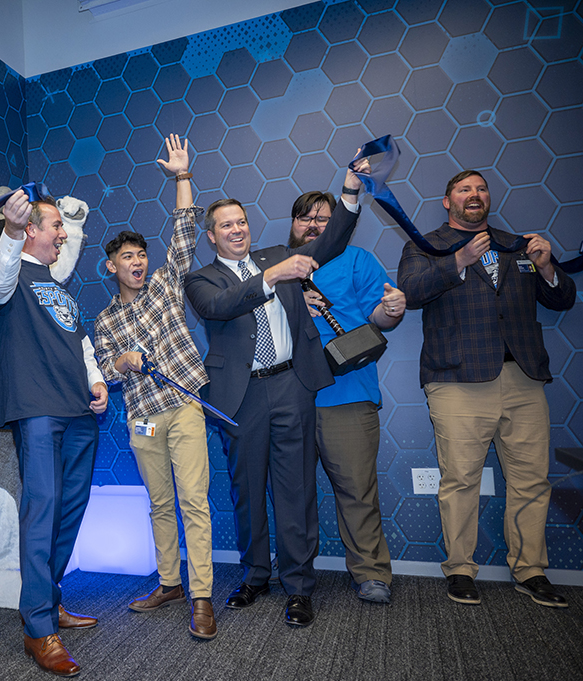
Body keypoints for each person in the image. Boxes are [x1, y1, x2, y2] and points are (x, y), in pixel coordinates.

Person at [184, 158, 367, 628]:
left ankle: (300, 586)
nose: (237, 230)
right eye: (226, 225)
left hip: (292, 385)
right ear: (212, 235)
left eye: (242, 221)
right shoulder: (202, 278)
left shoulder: (275, 256)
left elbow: (329, 241)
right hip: (240, 397)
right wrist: (272, 276)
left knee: (296, 490)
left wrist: (348, 191)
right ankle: (255, 574)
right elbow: (221, 307)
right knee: (247, 491)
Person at [397, 170, 576, 608]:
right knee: (460, 480)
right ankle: (460, 569)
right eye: (463, 189)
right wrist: (457, 261)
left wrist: (548, 265)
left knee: (531, 480)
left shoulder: (519, 244)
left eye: (480, 188)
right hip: (457, 379)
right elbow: (411, 291)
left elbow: (561, 300)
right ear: (447, 201)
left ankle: (530, 570)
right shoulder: (426, 244)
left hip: (523, 378)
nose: (474, 195)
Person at [93, 135, 216, 639]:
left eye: (141, 254)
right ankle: (170, 583)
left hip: (184, 403)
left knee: (194, 500)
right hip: (143, 416)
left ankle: (202, 596)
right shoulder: (102, 320)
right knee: (160, 503)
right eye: (128, 257)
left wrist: (183, 177)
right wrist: (121, 361)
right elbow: (102, 370)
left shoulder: (167, 283)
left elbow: (184, 230)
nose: (139, 262)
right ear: (111, 266)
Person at [0, 192, 107, 677]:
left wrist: (95, 378)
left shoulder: (59, 285)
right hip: (38, 410)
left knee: (69, 512)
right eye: (55, 225)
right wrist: (11, 232)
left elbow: (79, 340)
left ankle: (49, 600)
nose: (63, 233)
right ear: (29, 230)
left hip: (79, 410)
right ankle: (37, 627)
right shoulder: (9, 272)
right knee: (42, 512)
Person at [290, 190, 405, 604]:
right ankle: (296, 577)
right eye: (305, 218)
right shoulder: (277, 269)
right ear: (293, 223)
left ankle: (372, 574)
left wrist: (393, 308)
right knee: (293, 497)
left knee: (358, 491)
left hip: (349, 397)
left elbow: (380, 316)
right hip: (290, 401)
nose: (313, 226)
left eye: (323, 218)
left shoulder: (357, 260)